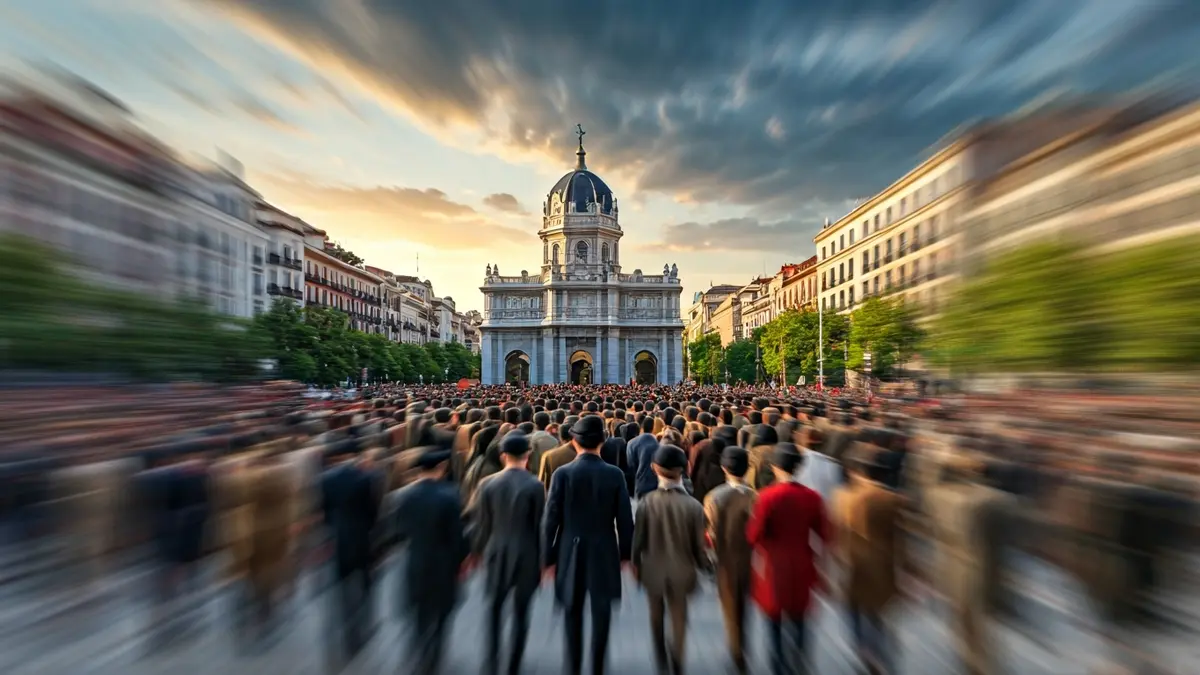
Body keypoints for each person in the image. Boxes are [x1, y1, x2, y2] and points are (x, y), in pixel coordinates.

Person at [541, 415, 634, 675]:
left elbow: (550, 521)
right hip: (604, 549)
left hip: (570, 549)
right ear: (602, 442)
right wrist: (626, 555)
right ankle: (597, 666)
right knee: (601, 612)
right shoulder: (614, 474)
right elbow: (625, 521)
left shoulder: (562, 473)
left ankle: (572, 665)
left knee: (572, 611)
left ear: (574, 441)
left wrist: (547, 558)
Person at [747, 443, 829, 675]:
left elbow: (754, 534)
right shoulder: (812, 497)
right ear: (799, 467)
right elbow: (825, 534)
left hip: (774, 566)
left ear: (774, 467)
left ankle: (778, 666)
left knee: (774, 622)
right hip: (803, 563)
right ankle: (799, 664)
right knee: (800, 619)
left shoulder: (767, 496)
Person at [469, 430, 545, 675]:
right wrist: (544, 561)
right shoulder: (535, 485)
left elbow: (482, 525)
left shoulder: (486, 484)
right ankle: (514, 663)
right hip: (526, 553)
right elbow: (539, 526)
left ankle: (492, 660)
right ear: (528, 455)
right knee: (521, 613)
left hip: (496, 551)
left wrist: (476, 553)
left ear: (502, 456)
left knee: (494, 609)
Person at [388, 445, 469, 675]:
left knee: (420, 611)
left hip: (416, 558)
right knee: (442, 612)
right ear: (441, 468)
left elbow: (396, 532)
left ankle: (419, 652)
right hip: (443, 561)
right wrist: (462, 559)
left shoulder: (403, 496)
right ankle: (435, 654)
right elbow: (457, 534)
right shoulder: (450, 496)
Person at [632, 444, 712, 675]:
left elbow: (639, 540)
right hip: (683, 570)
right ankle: (677, 658)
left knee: (655, 615)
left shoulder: (647, 502)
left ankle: (659, 656)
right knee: (679, 617)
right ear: (684, 469)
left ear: (654, 469)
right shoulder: (694, 506)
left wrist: (636, 562)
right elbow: (699, 547)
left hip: (653, 569)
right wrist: (705, 567)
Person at [831, 448, 907, 675]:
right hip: (884, 566)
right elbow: (901, 538)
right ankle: (880, 652)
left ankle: (864, 649)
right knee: (878, 615)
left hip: (852, 564)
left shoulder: (842, 496)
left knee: (852, 611)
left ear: (858, 472)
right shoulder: (893, 499)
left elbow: (837, 532)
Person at [320, 438, 380, 665]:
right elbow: (372, 511)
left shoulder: (325, 478)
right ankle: (362, 623)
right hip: (362, 538)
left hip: (338, 539)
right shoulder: (365, 478)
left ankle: (345, 629)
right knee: (364, 583)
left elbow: (324, 512)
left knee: (342, 587)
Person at [702, 446, 758, 674]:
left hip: (724, 560)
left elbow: (710, 533)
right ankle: (742, 646)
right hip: (751, 560)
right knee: (745, 608)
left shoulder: (714, 496)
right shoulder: (756, 496)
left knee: (731, 609)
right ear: (748, 468)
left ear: (724, 468)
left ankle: (737, 652)